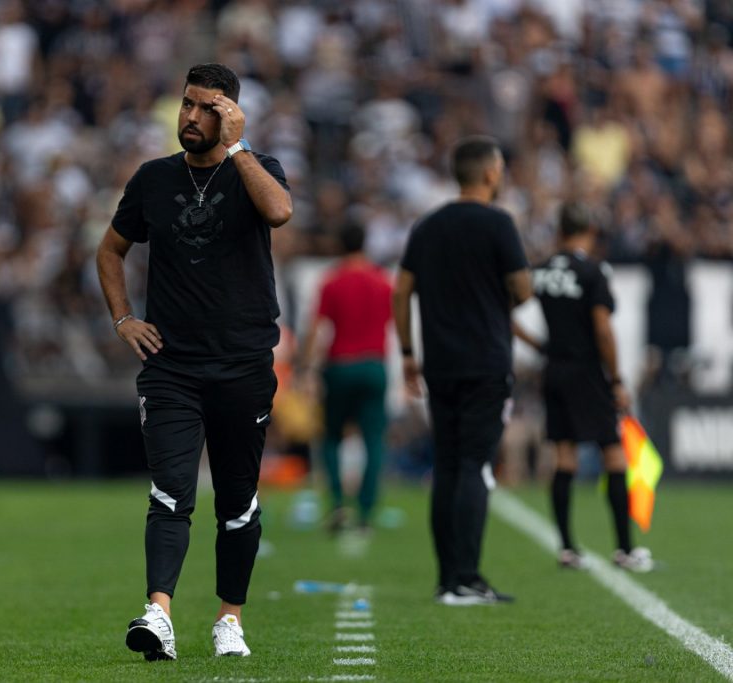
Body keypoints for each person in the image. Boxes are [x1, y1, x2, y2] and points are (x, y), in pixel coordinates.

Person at [95, 63, 292, 661]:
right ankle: (159, 614)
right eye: (186, 104)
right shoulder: (154, 178)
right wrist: (123, 318)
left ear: (231, 113)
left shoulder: (257, 170)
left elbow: (279, 212)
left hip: (243, 362)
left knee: (237, 501)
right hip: (172, 366)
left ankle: (229, 618)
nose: (191, 117)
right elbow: (110, 249)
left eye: (208, 107)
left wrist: (238, 146)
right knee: (170, 492)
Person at [394, 136, 532, 606]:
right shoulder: (499, 223)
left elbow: (402, 291)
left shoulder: (428, 225)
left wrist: (409, 353)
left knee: (448, 465)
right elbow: (524, 288)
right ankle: (466, 579)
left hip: (441, 363)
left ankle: (447, 578)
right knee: (475, 465)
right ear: (491, 173)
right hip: (487, 361)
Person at [513, 202, 653, 572]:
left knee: (564, 456)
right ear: (589, 232)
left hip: (554, 369)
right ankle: (624, 548)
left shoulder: (540, 271)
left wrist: (538, 345)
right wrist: (618, 379)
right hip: (588, 371)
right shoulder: (592, 271)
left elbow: (505, 309)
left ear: (559, 232)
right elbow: (603, 329)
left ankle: (567, 548)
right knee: (613, 454)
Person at [299, 222, 394, 533]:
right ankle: (366, 510)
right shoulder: (382, 281)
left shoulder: (333, 281)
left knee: (331, 437)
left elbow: (317, 327)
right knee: (373, 439)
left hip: (340, 365)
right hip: (374, 364)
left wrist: (306, 368)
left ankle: (339, 503)